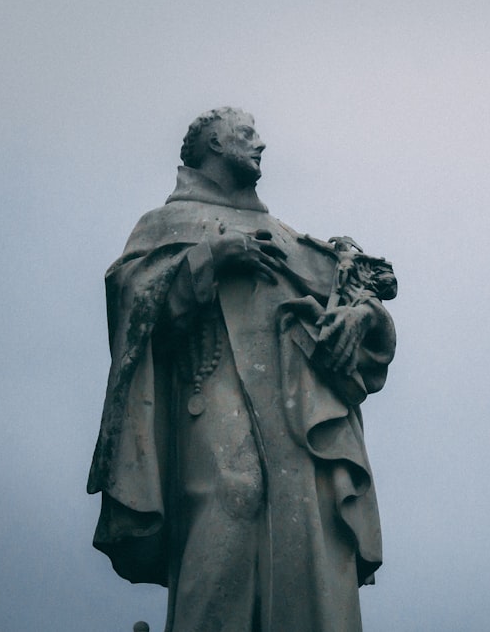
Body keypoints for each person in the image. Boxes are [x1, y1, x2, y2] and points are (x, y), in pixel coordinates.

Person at [87, 107, 397, 631]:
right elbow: (132, 304)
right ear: (211, 143)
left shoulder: (286, 236)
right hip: (209, 397)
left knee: (307, 531)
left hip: (301, 422)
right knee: (232, 501)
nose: (261, 144)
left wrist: (363, 315)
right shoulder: (167, 225)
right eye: (246, 134)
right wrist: (209, 258)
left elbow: (361, 301)